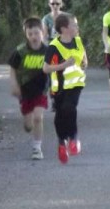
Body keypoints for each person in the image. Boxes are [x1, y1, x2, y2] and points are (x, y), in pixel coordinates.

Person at [43, 13, 88, 164]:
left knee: (70, 107)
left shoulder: (78, 41)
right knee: (61, 114)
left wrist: (84, 63)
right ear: (64, 29)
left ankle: (74, 138)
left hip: (75, 84)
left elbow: (83, 58)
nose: (77, 27)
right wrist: (63, 65)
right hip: (59, 86)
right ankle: (62, 142)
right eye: (74, 25)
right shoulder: (54, 46)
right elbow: (46, 68)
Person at [8, 17, 49, 160]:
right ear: (26, 35)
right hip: (25, 91)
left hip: (41, 90)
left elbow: (55, 68)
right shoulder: (20, 51)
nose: (34, 37)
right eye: (30, 34)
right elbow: (13, 68)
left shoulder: (48, 51)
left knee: (38, 118)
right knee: (28, 126)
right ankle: (27, 123)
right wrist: (14, 84)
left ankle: (37, 148)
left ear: (42, 32)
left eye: (36, 33)